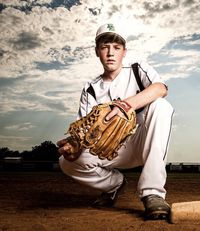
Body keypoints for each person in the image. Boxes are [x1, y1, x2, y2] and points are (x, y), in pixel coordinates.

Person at [57, 23, 174, 220]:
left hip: (142, 142)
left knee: (162, 106)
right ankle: (114, 185)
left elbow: (161, 88)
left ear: (124, 52)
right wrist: (73, 144)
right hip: (109, 149)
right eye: (105, 47)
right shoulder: (91, 89)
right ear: (97, 51)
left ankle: (152, 192)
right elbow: (84, 132)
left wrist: (125, 105)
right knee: (66, 162)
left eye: (116, 47)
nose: (110, 53)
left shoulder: (137, 70)